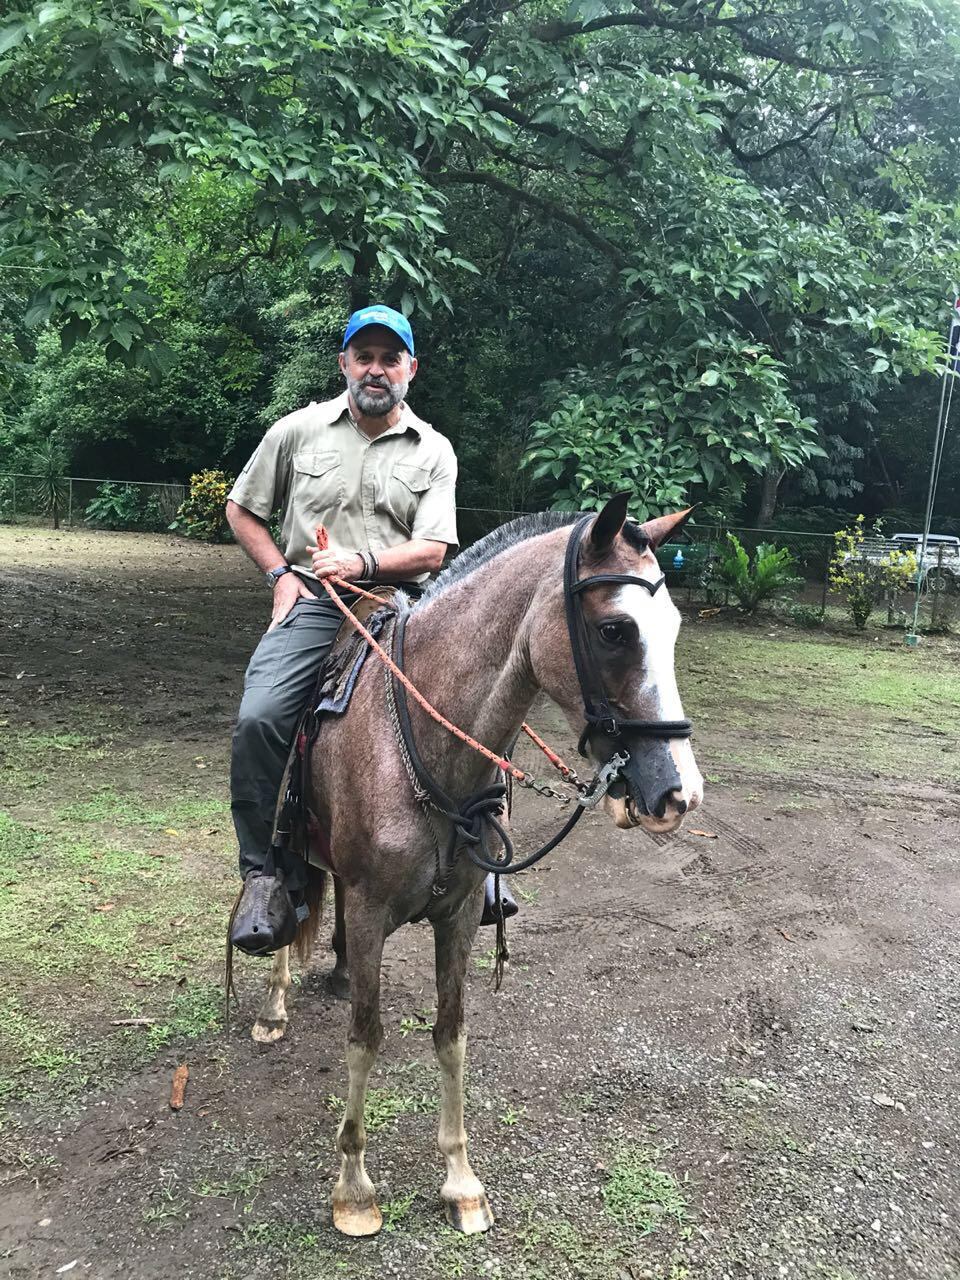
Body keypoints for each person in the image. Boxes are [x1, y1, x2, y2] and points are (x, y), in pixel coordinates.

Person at [226, 305, 514, 953]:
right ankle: (265, 875)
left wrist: (361, 563)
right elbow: (241, 510)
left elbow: (434, 549)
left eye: (390, 359)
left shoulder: (433, 449)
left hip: (409, 607)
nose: (376, 370)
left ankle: (484, 852)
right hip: (320, 604)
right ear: (345, 364)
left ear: (411, 370)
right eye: (365, 357)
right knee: (260, 718)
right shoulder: (297, 431)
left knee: (490, 699)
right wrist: (280, 575)